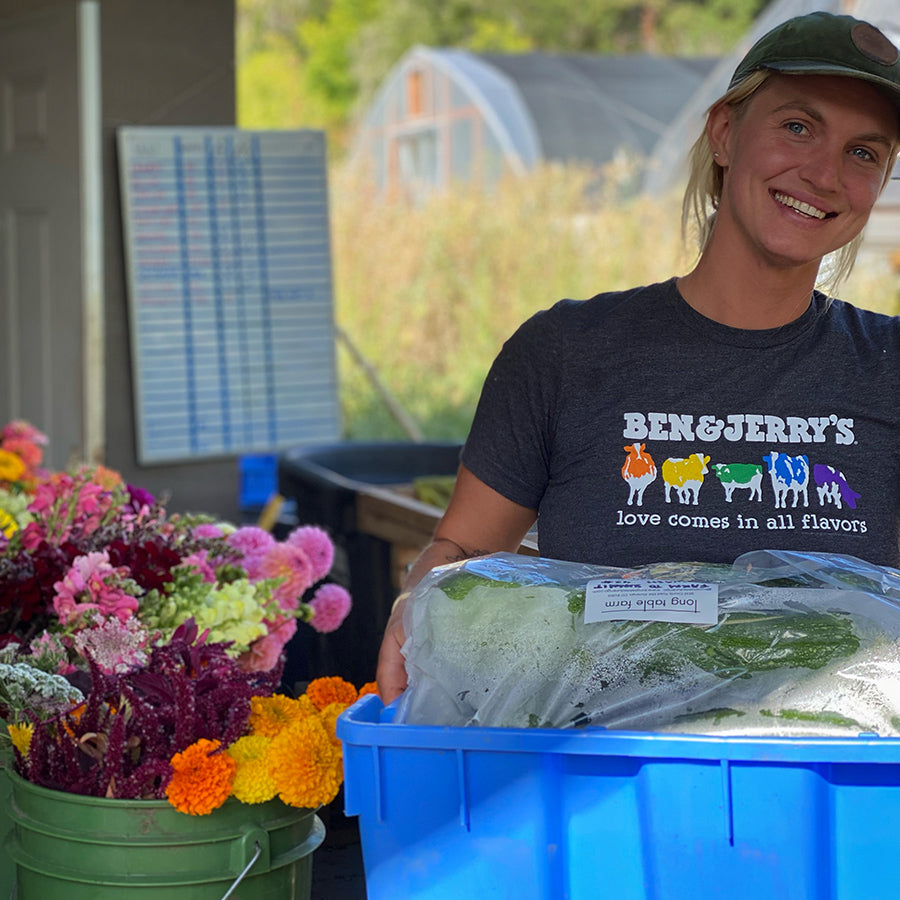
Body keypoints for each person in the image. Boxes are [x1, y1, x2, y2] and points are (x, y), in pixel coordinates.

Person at [377, 11, 900, 702]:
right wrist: (418, 605)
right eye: (797, 126)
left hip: (827, 786)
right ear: (723, 133)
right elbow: (465, 559)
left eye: (864, 152)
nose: (824, 173)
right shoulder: (564, 352)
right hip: (595, 782)